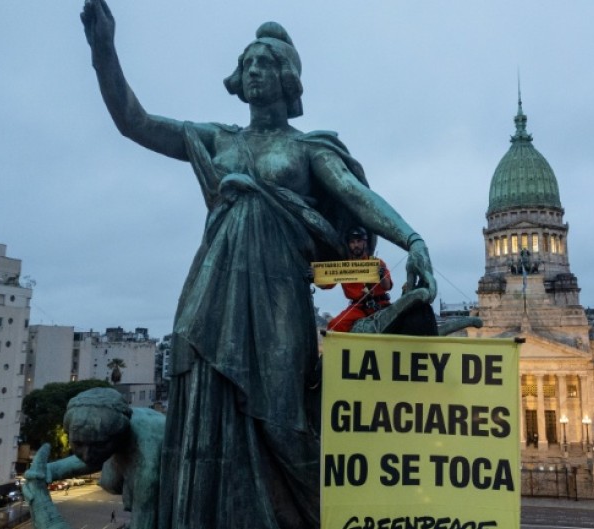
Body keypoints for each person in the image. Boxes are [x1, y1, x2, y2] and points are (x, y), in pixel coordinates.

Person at [79, 2, 436, 529]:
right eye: (246, 64)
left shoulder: (307, 148)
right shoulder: (217, 139)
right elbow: (135, 122)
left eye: (263, 64)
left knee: (285, 420)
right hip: (210, 296)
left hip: (277, 299)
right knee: (206, 403)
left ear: (286, 77)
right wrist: (103, 51)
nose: (252, 72)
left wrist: (411, 238)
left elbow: (357, 197)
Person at [22, 388, 164, 529]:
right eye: (78, 443)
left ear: (118, 437)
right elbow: (94, 455)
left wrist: (40, 503)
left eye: (99, 445)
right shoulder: (117, 427)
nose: (86, 455)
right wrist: (51, 470)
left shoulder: (146, 466)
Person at [323, 227, 393, 332]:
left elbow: (387, 286)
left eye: (359, 241)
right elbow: (325, 284)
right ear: (348, 245)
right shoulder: (343, 266)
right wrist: (315, 277)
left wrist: (381, 275)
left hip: (381, 305)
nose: (356, 245)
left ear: (365, 243)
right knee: (334, 326)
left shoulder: (377, 263)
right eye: (352, 242)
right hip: (358, 308)